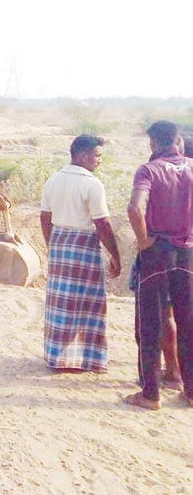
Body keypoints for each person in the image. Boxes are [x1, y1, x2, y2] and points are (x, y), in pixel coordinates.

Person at [125, 120, 193, 410]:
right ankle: (190, 393)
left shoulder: (149, 170)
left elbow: (134, 207)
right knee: (188, 320)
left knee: (151, 320)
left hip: (157, 251)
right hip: (187, 251)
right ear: (177, 141)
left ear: (153, 143)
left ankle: (150, 394)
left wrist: (143, 240)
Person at [40, 134, 121, 373]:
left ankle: (58, 357)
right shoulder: (91, 184)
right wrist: (115, 255)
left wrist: (53, 245)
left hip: (60, 244)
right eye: (97, 155)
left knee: (60, 304)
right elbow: (102, 223)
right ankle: (86, 359)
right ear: (83, 156)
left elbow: (45, 218)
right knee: (89, 304)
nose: (99, 160)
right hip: (84, 246)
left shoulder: (53, 180)